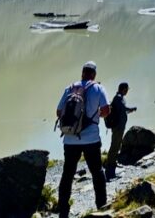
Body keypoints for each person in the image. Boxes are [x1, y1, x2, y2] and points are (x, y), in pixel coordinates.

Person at [55, 61, 111, 217]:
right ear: (94, 74)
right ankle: (101, 206)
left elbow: (59, 112)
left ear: (82, 73)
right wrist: (95, 115)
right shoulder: (98, 88)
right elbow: (106, 110)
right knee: (97, 172)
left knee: (67, 174)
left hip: (70, 139)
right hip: (91, 139)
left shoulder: (70, 88)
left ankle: (63, 210)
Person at [104, 81, 136, 179]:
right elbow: (123, 109)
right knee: (115, 146)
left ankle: (113, 163)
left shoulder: (120, 98)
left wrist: (131, 110)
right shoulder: (118, 98)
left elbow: (123, 111)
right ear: (124, 89)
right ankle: (110, 168)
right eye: (126, 89)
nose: (127, 92)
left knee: (117, 145)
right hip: (117, 127)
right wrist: (132, 108)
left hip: (119, 127)